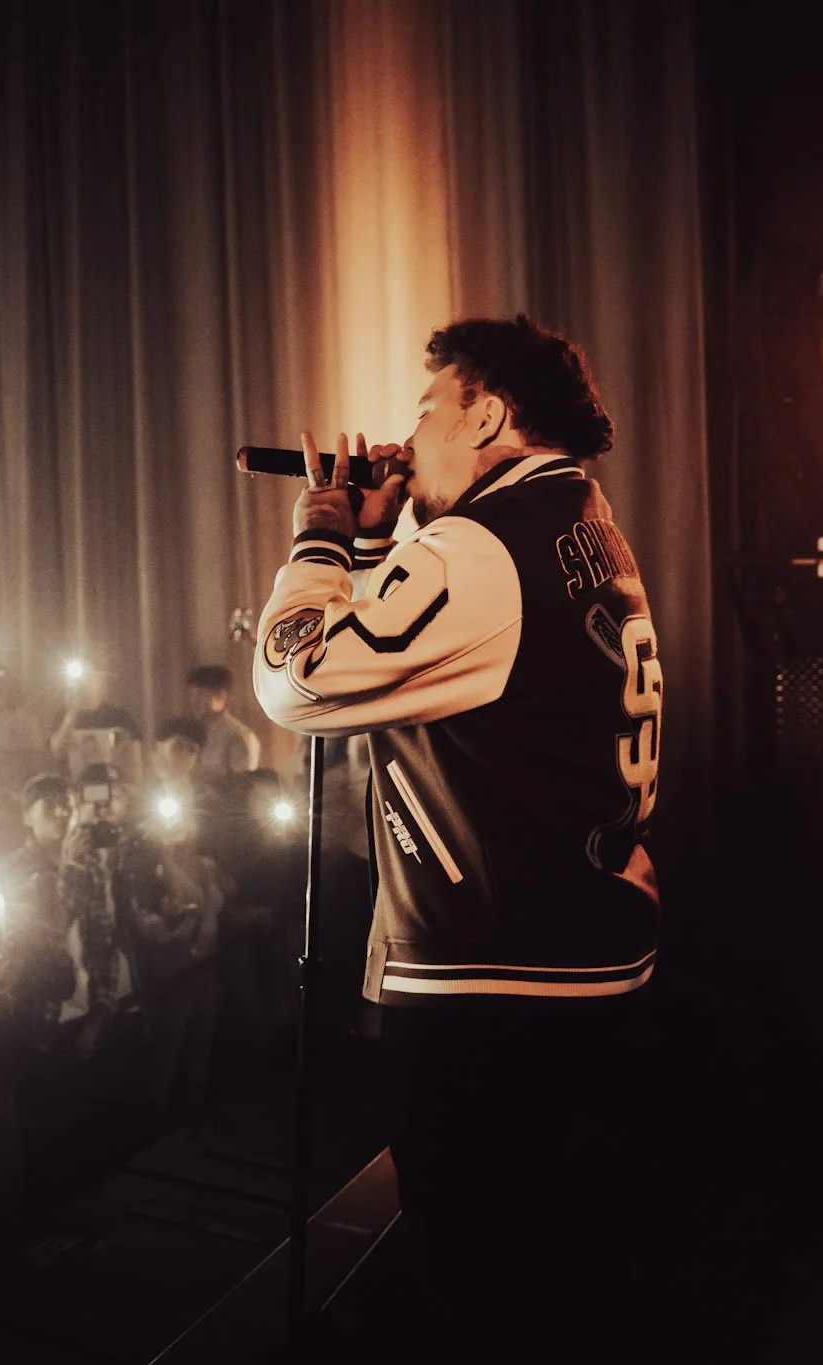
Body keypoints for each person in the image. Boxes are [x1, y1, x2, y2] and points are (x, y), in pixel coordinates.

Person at [252, 315, 660, 1353]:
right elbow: (458, 659)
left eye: (425, 409)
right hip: (584, 951)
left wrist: (319, 536)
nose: (407, 434)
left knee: (477, 1277)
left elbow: (296, 680)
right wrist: (396, 538)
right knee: (557, 1261)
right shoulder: (576, 524)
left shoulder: (480, 545)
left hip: (493, 980)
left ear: (484, 411)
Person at [185, 664, 262, 776]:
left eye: (200, 695)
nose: (194, 701)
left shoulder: (239, 736)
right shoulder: (191, 732)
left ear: (220, 695)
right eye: (192, 695)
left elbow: (242, 783)